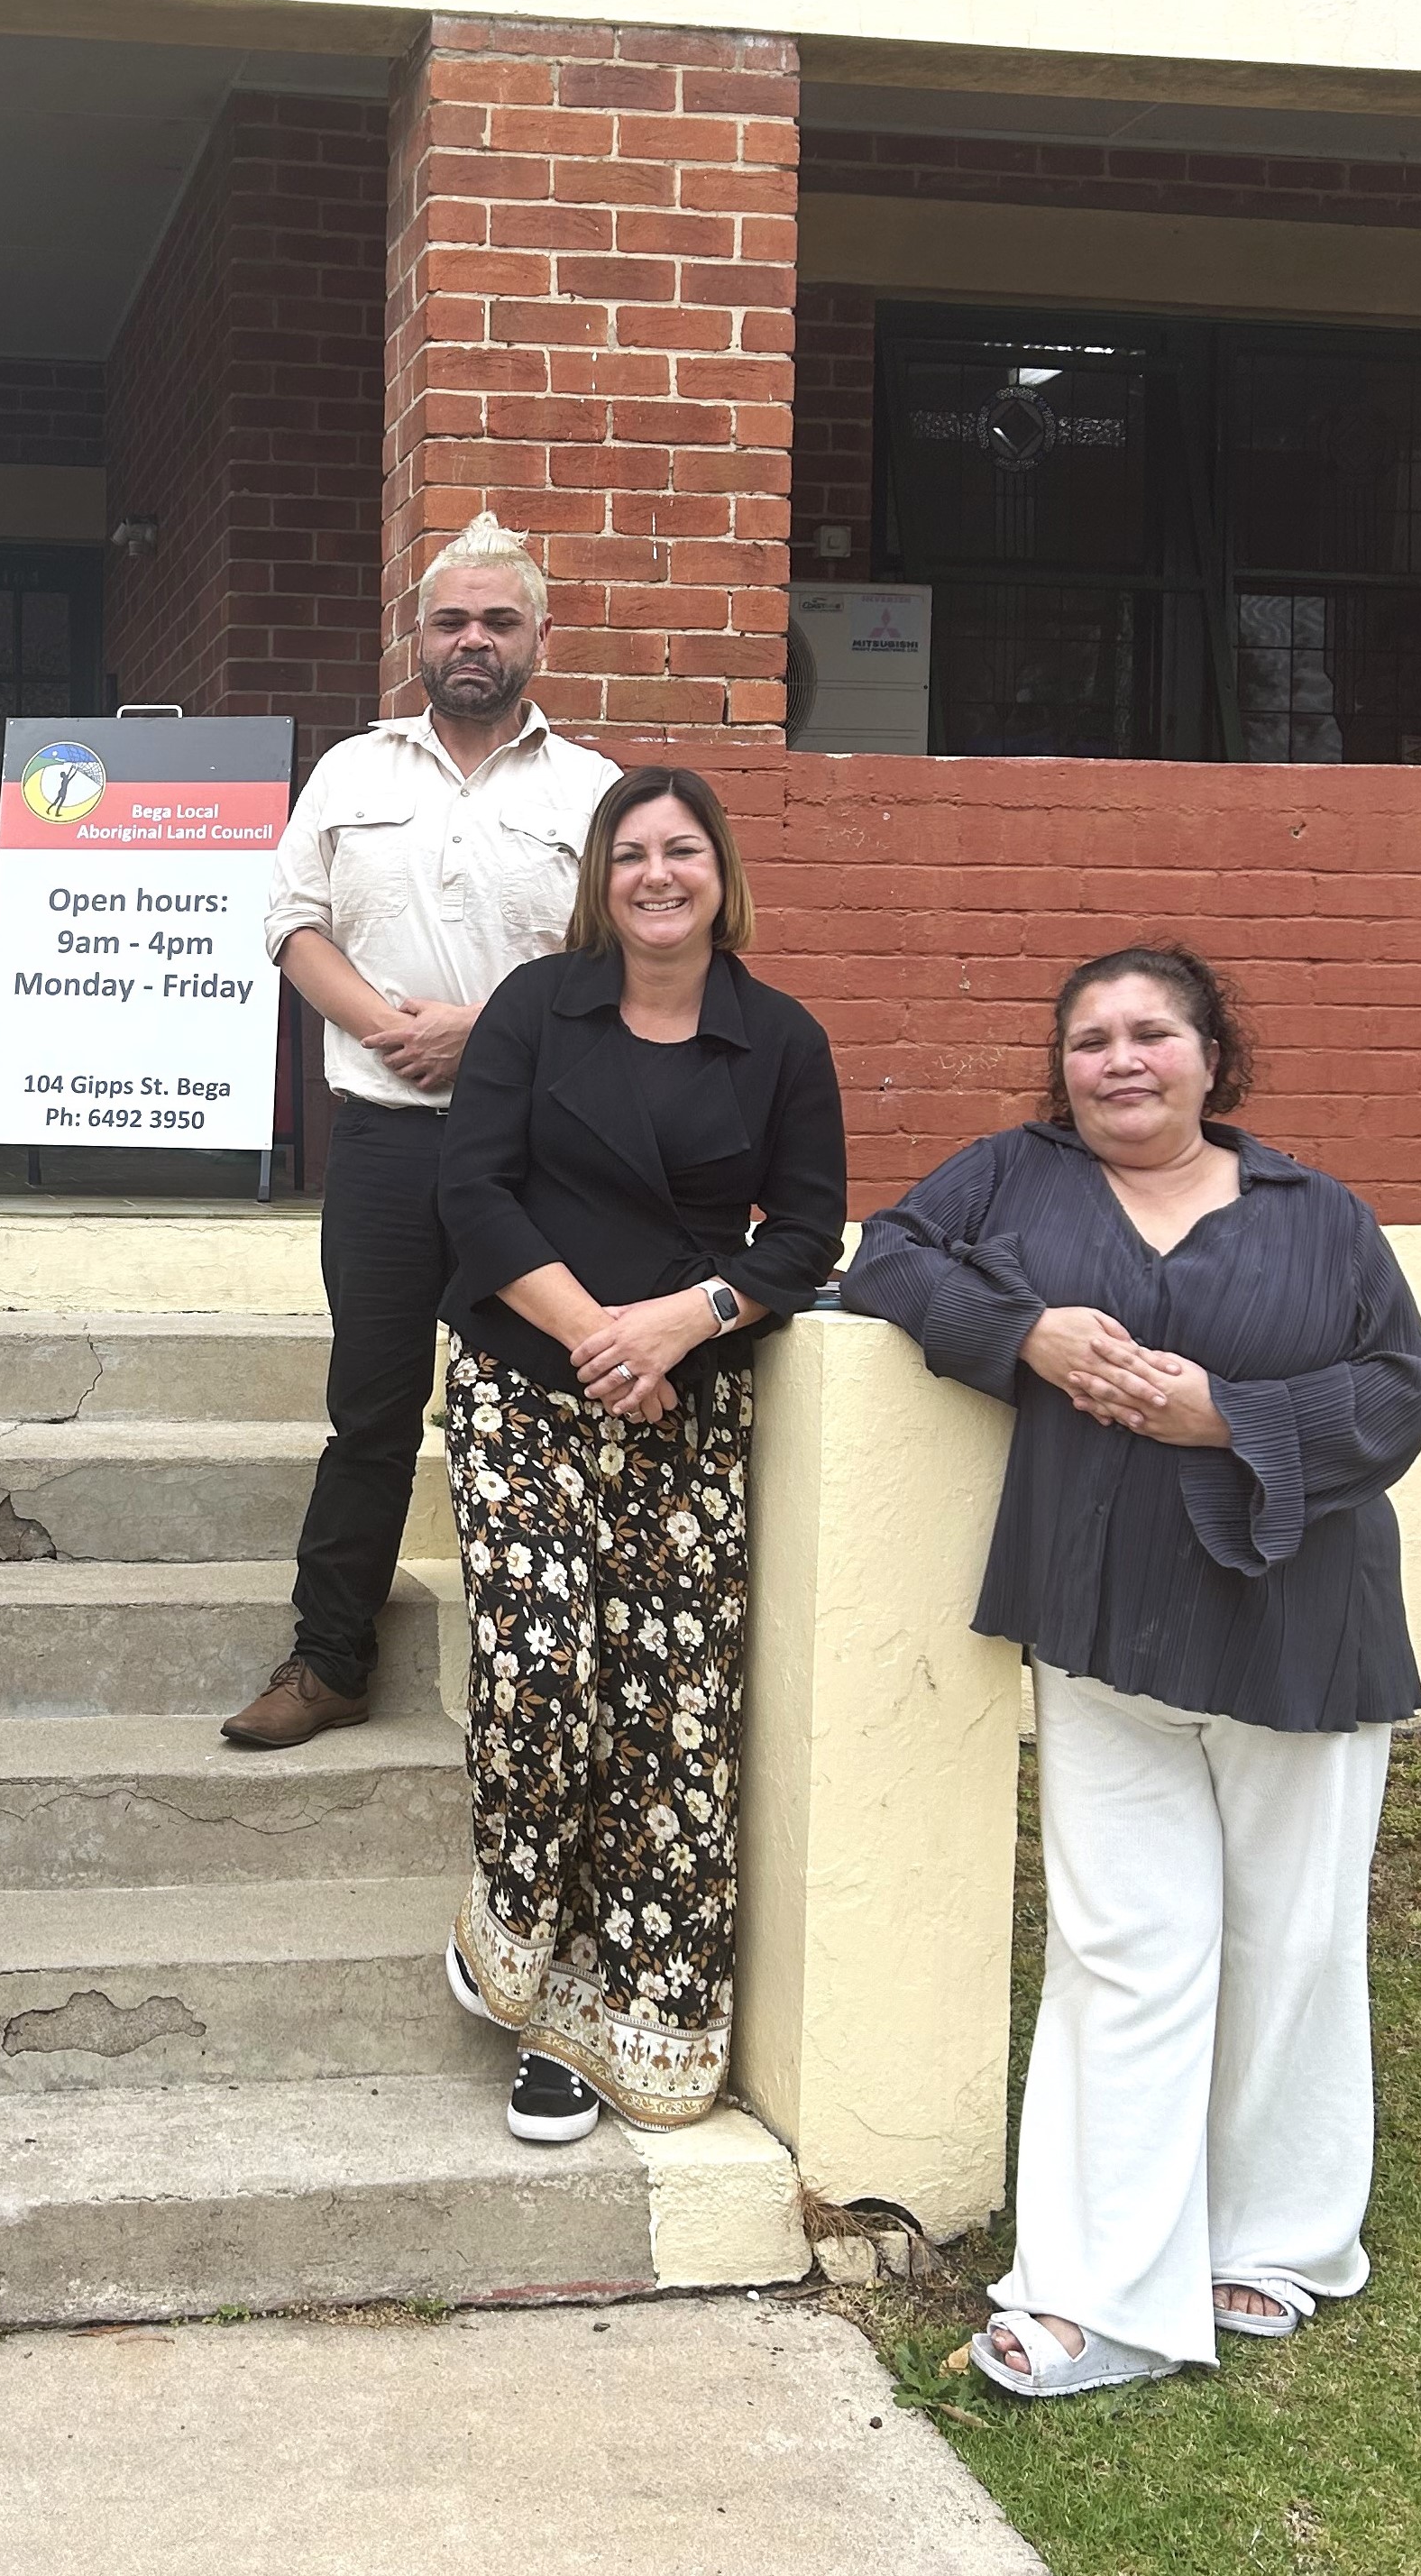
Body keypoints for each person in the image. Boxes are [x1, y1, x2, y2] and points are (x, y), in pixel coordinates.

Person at [840, 944, 1421, 2399]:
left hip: (1299, 1626)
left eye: (1151, 1032)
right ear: (1062, 1068)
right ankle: (1097, 2288)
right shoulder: (1012, 1179)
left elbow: (1399, 1389)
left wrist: (1226, 1414)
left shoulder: (1320, 1212)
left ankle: (1283, 2238)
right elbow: (888, 1259)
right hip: (1101, 1617)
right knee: (1126, 1953)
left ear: (1209, 1055)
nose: (1120, 1058)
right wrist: (1022, 1331)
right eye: (1092, 1037)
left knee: (1290, 1941)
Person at [435, 767, 846, 2142]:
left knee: (669, 1722)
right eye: (629, 854)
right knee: (544, 1673)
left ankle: (613, 2018)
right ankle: (517, 1934)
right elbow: (472, 1191)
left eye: (681, 851)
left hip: (687, 1406)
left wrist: (680, 1326)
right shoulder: (532, 1012)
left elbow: (801, 1234)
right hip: (525, 1383)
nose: (655, 875)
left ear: (719, 872)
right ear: (598, 880)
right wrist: (602, 1343)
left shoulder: (777, 1038)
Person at [222, 511, 619, 1749]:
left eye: (499, 621)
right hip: (391, 1142)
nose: (472, 640)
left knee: (543, 1407)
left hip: (541, 1150)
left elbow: (617, 966)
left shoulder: (592, 789)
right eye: (451, 619)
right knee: (375, 1406)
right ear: (418, 634)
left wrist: (484, 1036)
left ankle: (545, 1674)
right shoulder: (353, 771)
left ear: (540, 638)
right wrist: (401, 1037)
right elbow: (292, 928)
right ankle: (329, 1656)